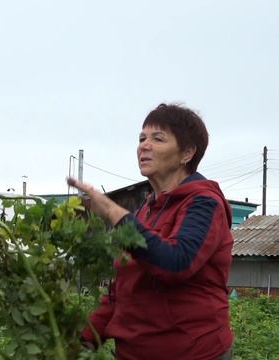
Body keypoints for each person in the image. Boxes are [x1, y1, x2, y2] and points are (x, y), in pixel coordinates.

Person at [69, 104, 234, 360]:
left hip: (193, 353)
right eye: (141, 138)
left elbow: (176, 263)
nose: (144, 146)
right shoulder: (147, 208)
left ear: (187, 153)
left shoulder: (204, 203)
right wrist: (84, 340)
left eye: (158, 139)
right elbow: (122, 289)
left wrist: (115, 214)